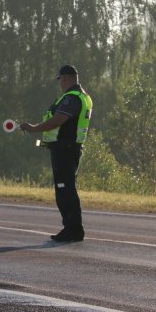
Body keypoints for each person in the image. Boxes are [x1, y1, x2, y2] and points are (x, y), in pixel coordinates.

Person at [19, 65, 93, 243]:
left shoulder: (71, 98)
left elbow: (58, 120)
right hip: (68, 148)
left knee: (64, 189)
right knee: (66, 188)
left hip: (65, 149)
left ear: (65, 78)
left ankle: (73, 229)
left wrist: (33, 128)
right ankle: (73, 228)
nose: (60, 84)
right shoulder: (83, 97)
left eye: (60, 80)